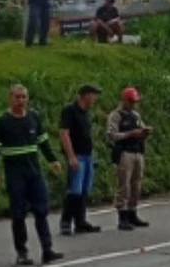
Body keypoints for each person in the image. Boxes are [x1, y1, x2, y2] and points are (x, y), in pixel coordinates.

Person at [0, 84, 65, 265]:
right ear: (10, 98)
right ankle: (22, 252)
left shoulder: (34, 118)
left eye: (24, 97)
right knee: (18, 213)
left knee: (41, 211)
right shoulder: (2, 122)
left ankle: (47, 249)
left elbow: (43, 142)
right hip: (15, 174)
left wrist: (53, 160)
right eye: (17, 97)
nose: (21, 101)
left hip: (34, 172)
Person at [59, 83, 102, 236]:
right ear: (85, 95)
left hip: (87, 154)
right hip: (77, 155)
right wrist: (70, 156)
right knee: (74, 190)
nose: (95, 98)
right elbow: (64, 133)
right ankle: (66, 221)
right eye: (93, 94)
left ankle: (80, 221)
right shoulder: (70, 111)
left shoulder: (85, 113)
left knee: (84, 190)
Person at [106, 86, 152, 231]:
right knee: (123, 185)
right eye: (131, 102)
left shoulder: (136, 116)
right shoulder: (116, 115)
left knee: (136, 185)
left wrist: (145, 132)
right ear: (124, 100)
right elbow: (112, 135)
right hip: (124, 152)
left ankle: (133, 212)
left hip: (137, 151)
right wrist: (129, 134)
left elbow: (141, 128)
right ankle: (122, 215)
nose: (133, 105)